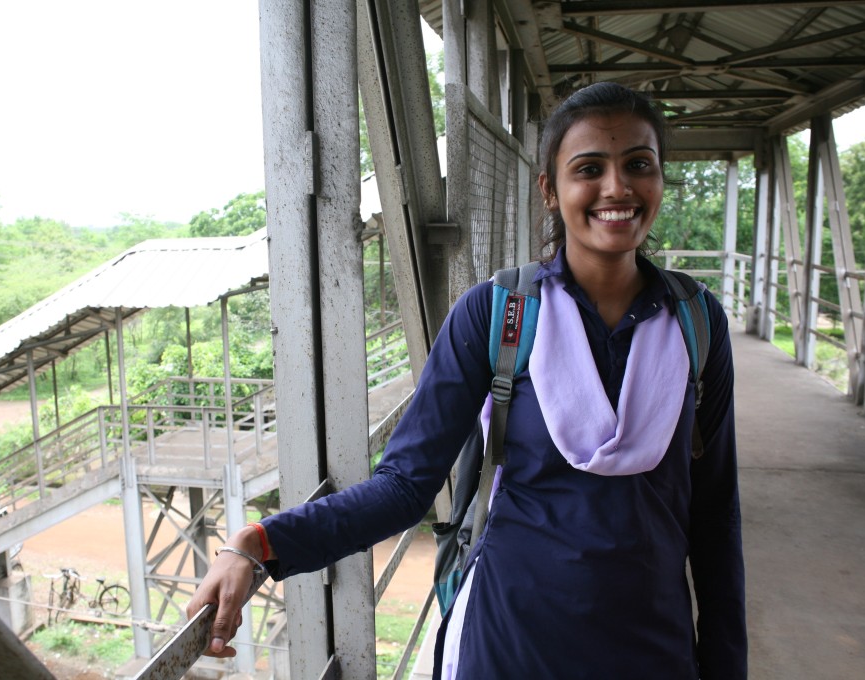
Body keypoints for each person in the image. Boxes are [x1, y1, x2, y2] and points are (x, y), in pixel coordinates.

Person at [188, 81, 747, 679]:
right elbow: (405, 484)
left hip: (648, 648)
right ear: (550, 190)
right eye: (589, 168)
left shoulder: (696, 322)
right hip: (509, 643)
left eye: (639, 164)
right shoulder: (496, 314)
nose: (617, 188)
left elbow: (714, 517)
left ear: (660, 178)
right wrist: (261, 543)